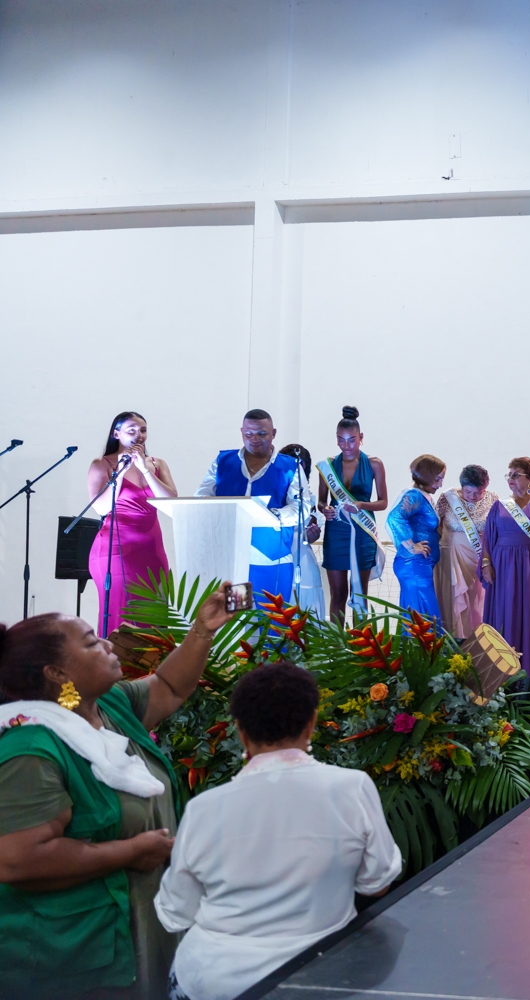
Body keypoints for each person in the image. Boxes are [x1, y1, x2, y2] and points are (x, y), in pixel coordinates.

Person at [0, 586, 237, 999]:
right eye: (92, 641)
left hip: (141, 928)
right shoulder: (30, 748)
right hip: (76, 956)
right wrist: (129, 852)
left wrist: (202, 630)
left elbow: (169, 687)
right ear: (56, 673)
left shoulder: (106, 707)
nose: (110, 643)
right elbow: (20, 860)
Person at [154, 663, 402, 1000]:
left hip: (213, 982)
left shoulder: (205, 808)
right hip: (318, 979)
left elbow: (176, 910)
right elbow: (377, 883)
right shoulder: (351, 788)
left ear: (240, 731)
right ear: (311, 723)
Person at [196, 409, 317, 604]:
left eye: (262, 433)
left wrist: (269, 515)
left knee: (271, 625)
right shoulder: (223, 461)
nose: (255, 439)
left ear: (274, 433)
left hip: (271, 560)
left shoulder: (290, 466)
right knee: (234, 621)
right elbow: (202, 496)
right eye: (249, 434)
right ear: (242, 432)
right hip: (233, 559)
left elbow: (302, 508)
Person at [87, 411, 177, 636]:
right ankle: (118, 668)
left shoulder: (157, 464)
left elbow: (170, 504)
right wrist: (122, 471)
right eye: (132, 431)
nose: (139, 435)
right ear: (117, 434)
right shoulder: (102, 464)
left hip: (151, 550)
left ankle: (152, 670)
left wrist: (145, 469)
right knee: (122, 614)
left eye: (143, 430)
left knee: (154, 615)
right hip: (116, 550)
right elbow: (101, 508)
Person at [482, 457, 530, 681]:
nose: (511, 479)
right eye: (510, 475)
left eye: (516, 475)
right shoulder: (498, 506)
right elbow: (488, 538)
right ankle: (500, 675)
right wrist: (486, 564)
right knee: (505, 613)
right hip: (502, 568)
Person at [316, 407, 388, 625]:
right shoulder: (327, 466)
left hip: (363, 531)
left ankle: (360, 647)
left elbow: (383, 502)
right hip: (336, 532)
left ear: (361, 438)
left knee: (359, 593)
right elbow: (321, 501)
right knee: (338, 593)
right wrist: (324, 509)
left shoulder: (374, 464)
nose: (346, 446)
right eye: (341, 440)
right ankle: (337, 645)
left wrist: (361, 505)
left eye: (351, 440)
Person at [436, 465, 497, 639]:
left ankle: (479, 645)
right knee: (454, 601)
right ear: (462, 487)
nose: (473, 497)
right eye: (468, 492)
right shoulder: (448, 498)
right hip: (452, 559)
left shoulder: (493, 499)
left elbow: (496, 530)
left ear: (485, 488)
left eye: (478, 493)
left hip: (481, 560)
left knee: (478, 604)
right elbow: (435, 526)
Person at [385, 455, 445, 626]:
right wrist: (411, 546)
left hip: (419, 566)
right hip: (414, 566)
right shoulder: (414, 496)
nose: (440, 484)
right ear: (427, 476)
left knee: (418, 619)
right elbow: (394, 518)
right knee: (423, 621)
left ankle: (418, 652)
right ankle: (424, 653)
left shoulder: (422, 496)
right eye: (438, 479)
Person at [277, 445, 327, 618]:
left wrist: (312, 535)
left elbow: (310, 532)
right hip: (277, 556)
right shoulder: (273, 496)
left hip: (303, 559)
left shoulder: (309, 500)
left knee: (307, 609)